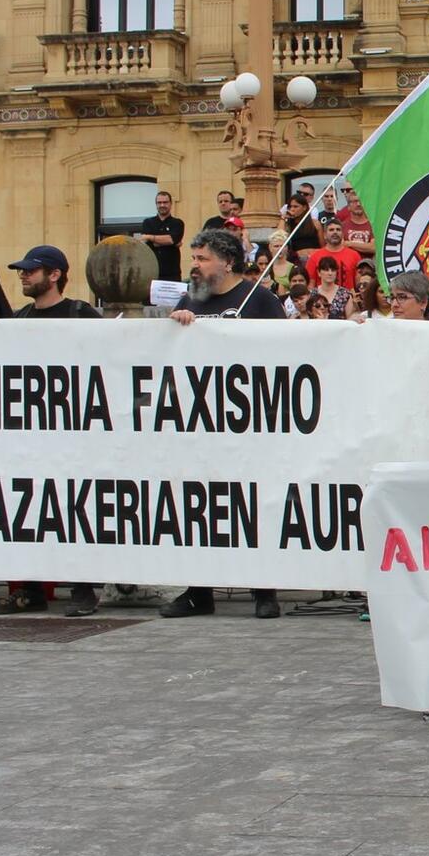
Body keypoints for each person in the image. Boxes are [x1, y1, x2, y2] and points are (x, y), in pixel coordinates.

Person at [161, 230, 287, 619]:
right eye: (193, 258)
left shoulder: (259, 300)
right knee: (200, 505)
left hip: (250, 423)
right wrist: (177, 323)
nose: (194, 265)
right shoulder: (191, 299)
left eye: (202, 258)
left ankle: (263, 590)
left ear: (228, 261)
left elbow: (287, 350)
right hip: (201, 424)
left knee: (253, 505)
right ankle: (199, 590)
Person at [0, 245, 104, 617]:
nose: (23, 276)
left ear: (54, 275)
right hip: (31, 437)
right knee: (30, 509)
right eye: (22, 270)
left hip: (74, 434)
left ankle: (84, 588)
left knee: (76, 509)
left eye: (31, 270)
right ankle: (31, 588)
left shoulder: (81, 314)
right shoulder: (18, 318)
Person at [137, 190, 186, 282]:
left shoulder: (178, 223)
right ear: (156, 204)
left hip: (172, 274)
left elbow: (171, 240)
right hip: (152, 273)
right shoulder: (148, 222)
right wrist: (168, 242)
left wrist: (151, 237)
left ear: (171, 204)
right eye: (159, 203)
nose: (162, 205)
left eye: (165, 202)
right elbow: (147, 242)